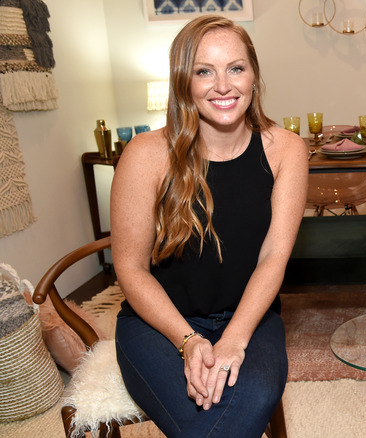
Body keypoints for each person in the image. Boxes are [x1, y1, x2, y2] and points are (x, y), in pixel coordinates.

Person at [110, 15, 308, 437]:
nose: (223, 85)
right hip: (159, 325)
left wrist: (234, 339)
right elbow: (129, 269)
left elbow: (274, 257)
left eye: (236, 68)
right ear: (184, 81)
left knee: (246, 402)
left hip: (250, 317)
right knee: (214, 423)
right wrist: (189, 342)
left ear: (254, 75)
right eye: (204, 71)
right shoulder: (145, 154)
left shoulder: (285, 150)